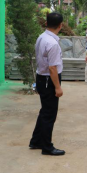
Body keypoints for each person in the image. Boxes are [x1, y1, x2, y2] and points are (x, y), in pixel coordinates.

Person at [29, 12, 65, 156]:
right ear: (60, 25)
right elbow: (52, 68)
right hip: (48, 80)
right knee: (49, 114)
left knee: (45, 111)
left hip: (41, 78)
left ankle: (36, 140)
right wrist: (57, 87)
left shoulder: (42, 37)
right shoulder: (52, 43)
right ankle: (47, 146)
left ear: (46, 23)